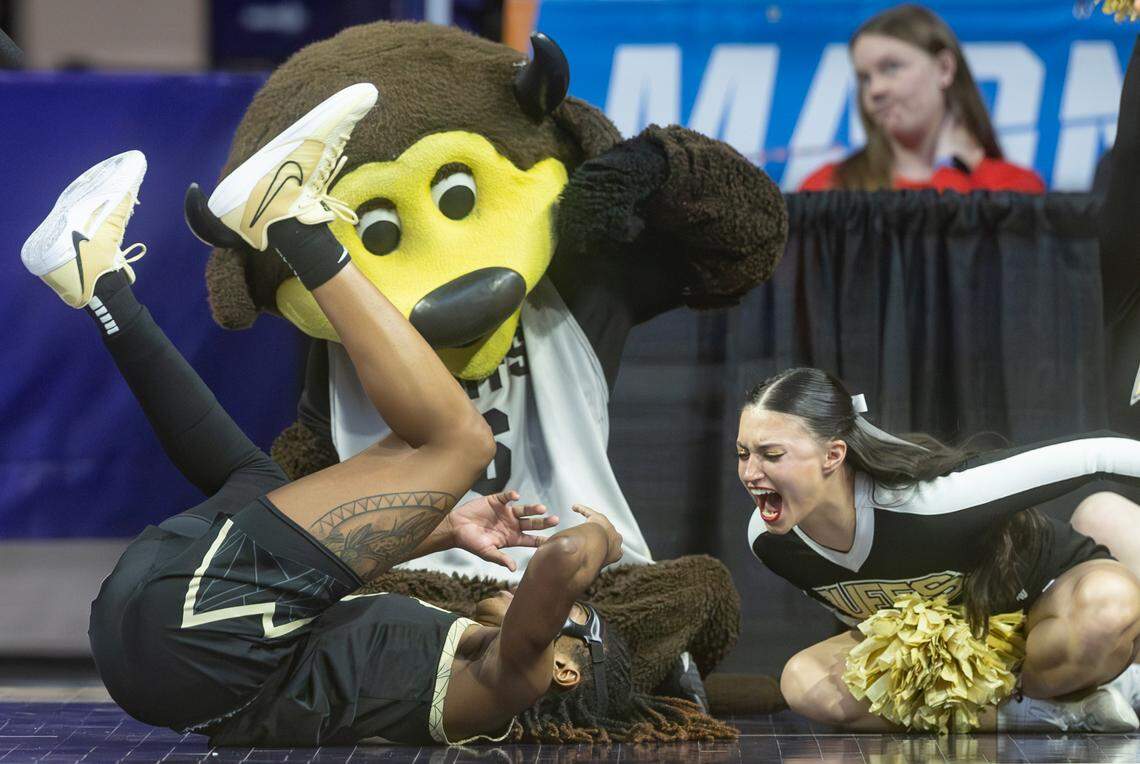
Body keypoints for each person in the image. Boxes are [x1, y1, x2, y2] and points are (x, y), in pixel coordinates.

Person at [22, 84, 729, 746]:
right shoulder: (448, 674)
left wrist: (601, 539)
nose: (545, 606)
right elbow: (322, 615)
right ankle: (98, 284)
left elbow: (563, 562)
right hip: (174, 657)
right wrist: (443, 527)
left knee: (459, 441)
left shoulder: (516, 679)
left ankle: (290, 221)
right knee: (255, 479)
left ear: (569, 667)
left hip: (200, 640)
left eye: (580, 619)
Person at [738, 367, 1140, 732]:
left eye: (772, 455)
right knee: (802, 681)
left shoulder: (930, 501)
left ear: (833, 455)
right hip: (961, 657)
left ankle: (1117, 679)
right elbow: (864, 621)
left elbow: (1098, 453)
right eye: (743, 454)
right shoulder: (770, 541)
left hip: (1040, 610)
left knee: (1108, 608)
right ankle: (1048, 713)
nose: (751, 474)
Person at [798, 4, 1044, 193]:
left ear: (944, 69)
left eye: (891, 67)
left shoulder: (1014, 186)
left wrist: (952, 167)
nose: (875, 90)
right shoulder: (829, 186)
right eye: (865, 78)